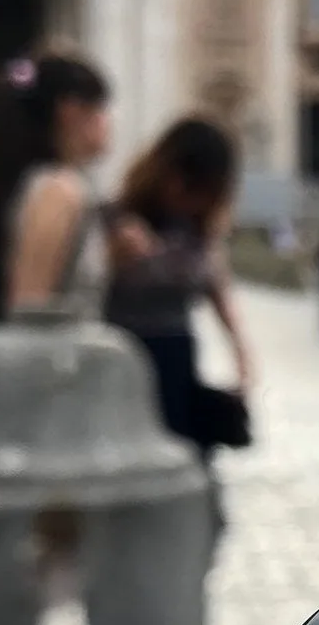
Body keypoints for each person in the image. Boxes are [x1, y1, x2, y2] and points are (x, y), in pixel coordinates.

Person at [105, 117, 252, 459]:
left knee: (187, 461)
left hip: (178, 356)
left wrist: (240, 349)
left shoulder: (199, 229)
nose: (182, 193)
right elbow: (88, 284)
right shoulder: (117, 217)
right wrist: (114, 255)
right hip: (125, 356)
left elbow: (218, 287)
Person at [0, 51, 111, 345]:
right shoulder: (58, 191)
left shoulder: (29, 185)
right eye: (101, 109)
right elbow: (29, 310)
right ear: (69, 111)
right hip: (51, 377)